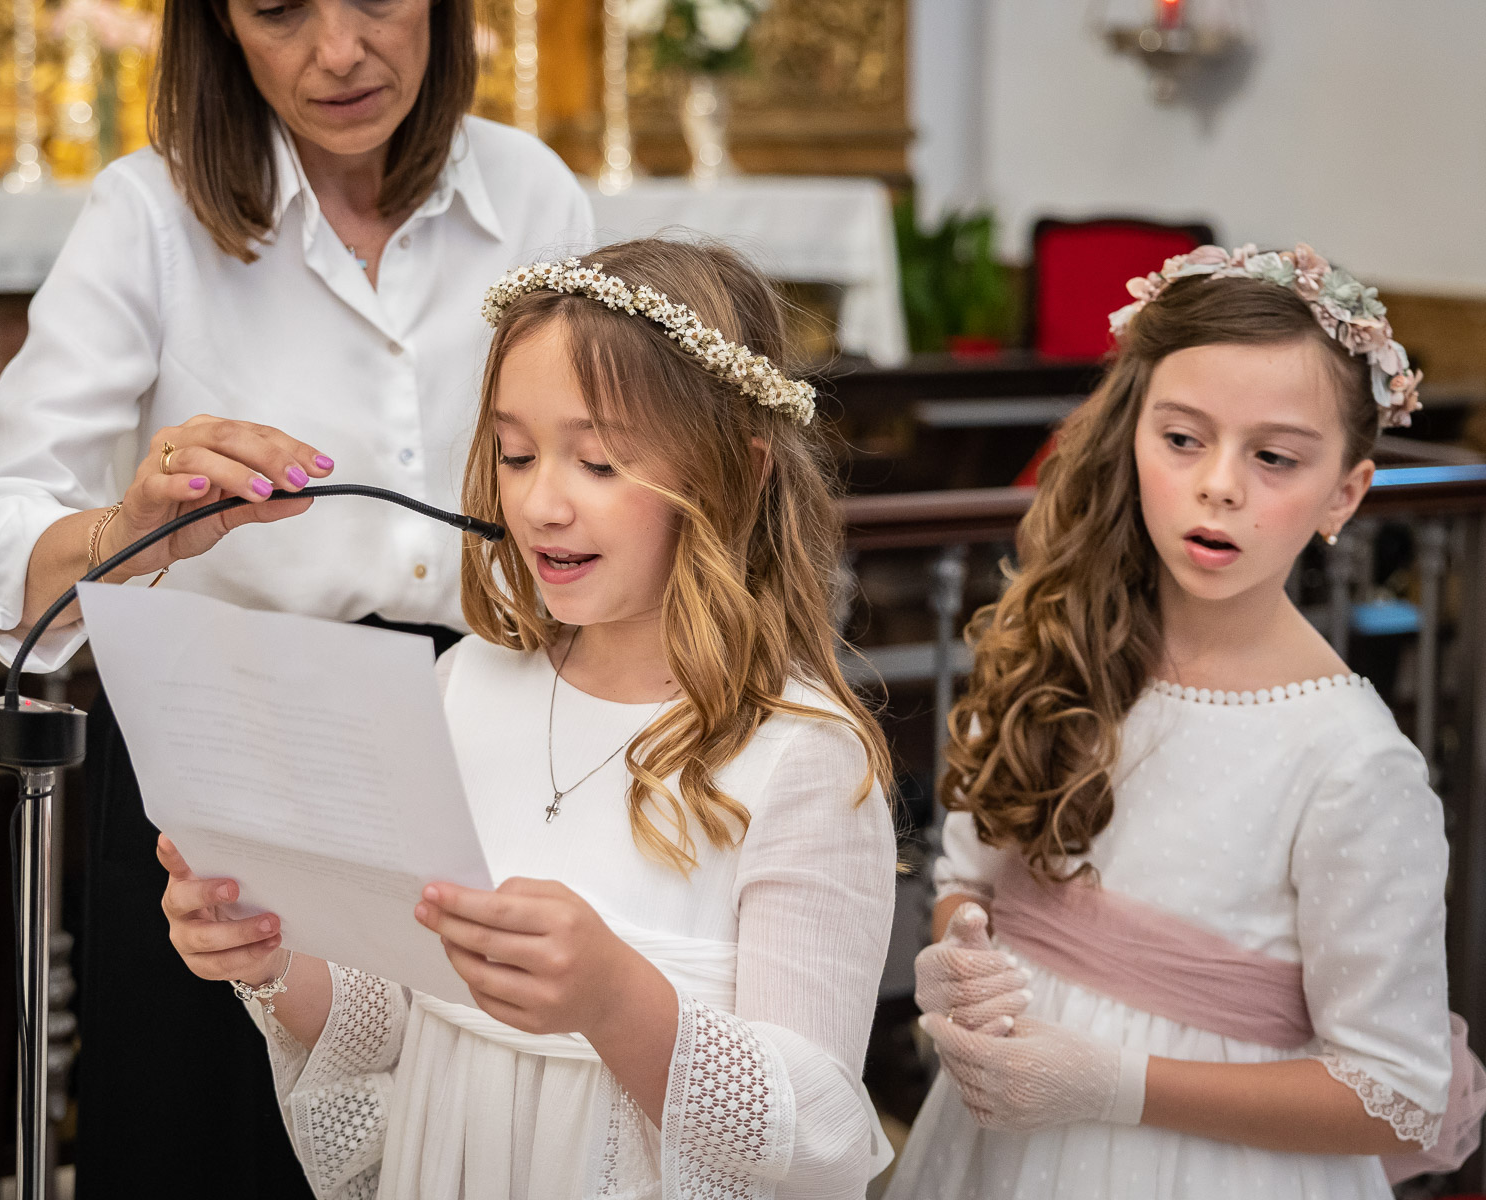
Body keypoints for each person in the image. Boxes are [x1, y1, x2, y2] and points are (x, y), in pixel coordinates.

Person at [0, 0, 592, 1190]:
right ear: (216, 27)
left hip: (486, 747)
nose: (339, 52)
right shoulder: (149, 213)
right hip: (233, 762)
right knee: (214, 1139)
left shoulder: (533, 195)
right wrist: (128, 529)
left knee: (464, 1128)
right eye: (281, 8)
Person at [155, 238, 900, 1197]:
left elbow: (827, 1135)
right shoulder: (466, 686)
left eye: (596, 461)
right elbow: (403, 1015)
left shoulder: (801, 760)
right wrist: (270, 956)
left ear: (737, 473)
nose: (540, 501)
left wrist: (613, 997)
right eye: (515, 453)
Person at [886, 244, 1485, 1198]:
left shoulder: (1351, 763)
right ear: (1134, 437)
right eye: (1182, 439)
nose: (1219, 485)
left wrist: (1116, 1084)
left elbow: (1395, 1094)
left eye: (1274, 457)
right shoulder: (1061, 650)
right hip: (995, 1152)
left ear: (1346, 494)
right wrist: (960, 949)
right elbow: (971, 879)